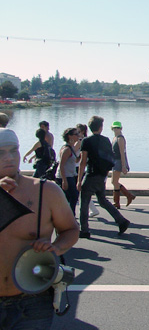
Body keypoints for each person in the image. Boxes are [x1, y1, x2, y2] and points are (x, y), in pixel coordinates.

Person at [0, 128, 79, 329]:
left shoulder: (46, 191)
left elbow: (70, 229)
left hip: (33, 301)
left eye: (14, 150)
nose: (9, 158)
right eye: (0, 152)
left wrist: (56, 248)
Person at [77, 116, 130, 239]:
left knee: (84, 203)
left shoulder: (86, 141)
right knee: (102, 200)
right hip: (101, 174)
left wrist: (79, 180)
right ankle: (121, 220)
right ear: (101, 128)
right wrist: (105, 174)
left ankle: (84, 229)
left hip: (91, 174)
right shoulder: (106, 140)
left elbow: (83, 161)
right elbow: (109, 158)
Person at [76, 124, 100, 218]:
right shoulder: (87, 140)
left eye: (77, 131)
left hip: (78, 168)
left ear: (82, 131)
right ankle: (92, 209)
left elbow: (76, 155)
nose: (76, 133)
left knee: (80, 191)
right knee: (82, 192)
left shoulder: (81, 141)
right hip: (82, 167)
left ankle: (90, 211)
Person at [56, 127, 81, 216]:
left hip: (71, 175)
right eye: (76, 134)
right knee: (73, 197)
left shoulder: (72, 148)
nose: (78, 136)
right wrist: (64, 180)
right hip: (65, 176)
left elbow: (74, 161)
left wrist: (81, 156)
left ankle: (69, 217)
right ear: (70, 136)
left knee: (71, 198)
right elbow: (61, 165)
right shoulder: (66, 149)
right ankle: (69, 217)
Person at [110, 121, 135, 209]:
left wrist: (124, 165)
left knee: (114, 182)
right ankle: (117, 202)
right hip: (114, 161)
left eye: (117, 128)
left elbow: (122, 152)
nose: (116, 129)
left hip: (119, 161)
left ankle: (128, 196)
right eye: (114, 128)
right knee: (114, 182)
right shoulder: (114, 138)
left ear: (121, 128)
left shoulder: (120, 138)